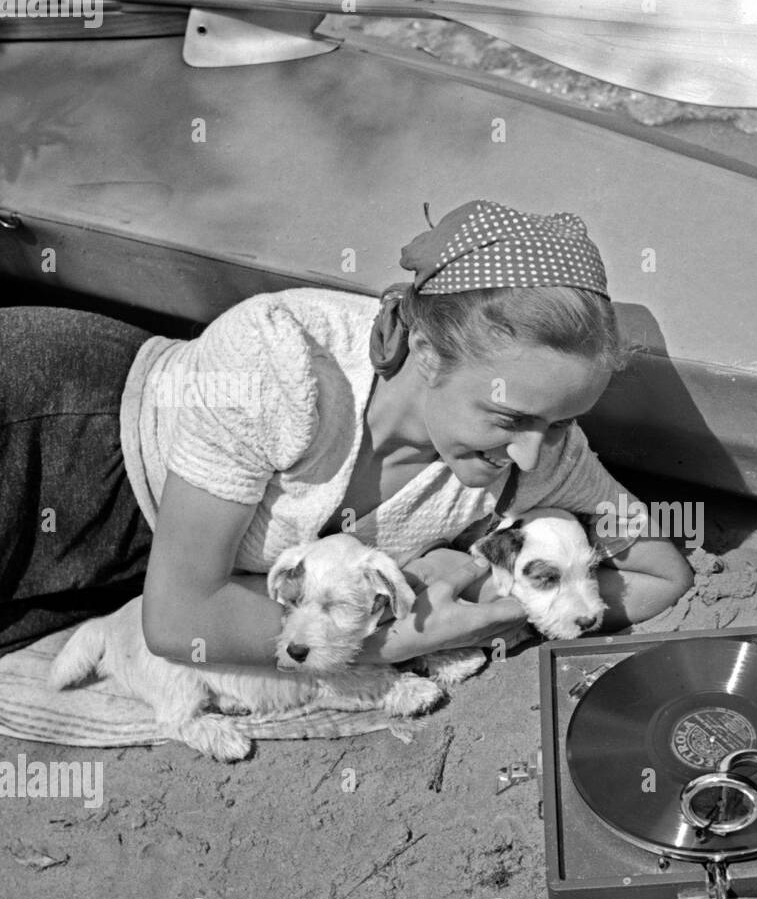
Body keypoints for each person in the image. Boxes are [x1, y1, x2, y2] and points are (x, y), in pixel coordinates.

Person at [0, 199, 693, 663]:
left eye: (564, 421)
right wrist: (415, 634)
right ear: (425, 354)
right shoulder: (282, 361)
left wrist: (524, 603)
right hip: (54, 429)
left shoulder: (539, 453)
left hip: (125, 550)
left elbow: (659, 569)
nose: (533, 453)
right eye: (511, 417)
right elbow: (181, 620)